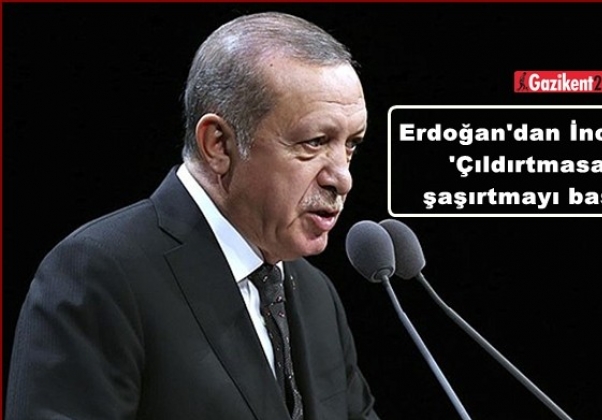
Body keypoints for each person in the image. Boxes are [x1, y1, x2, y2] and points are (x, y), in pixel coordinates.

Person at [5, 11, 380, 420]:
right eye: (315, 142)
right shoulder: (100, 275)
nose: (342, 178)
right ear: (218, 144)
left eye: (351, 145)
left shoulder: (315, 294)